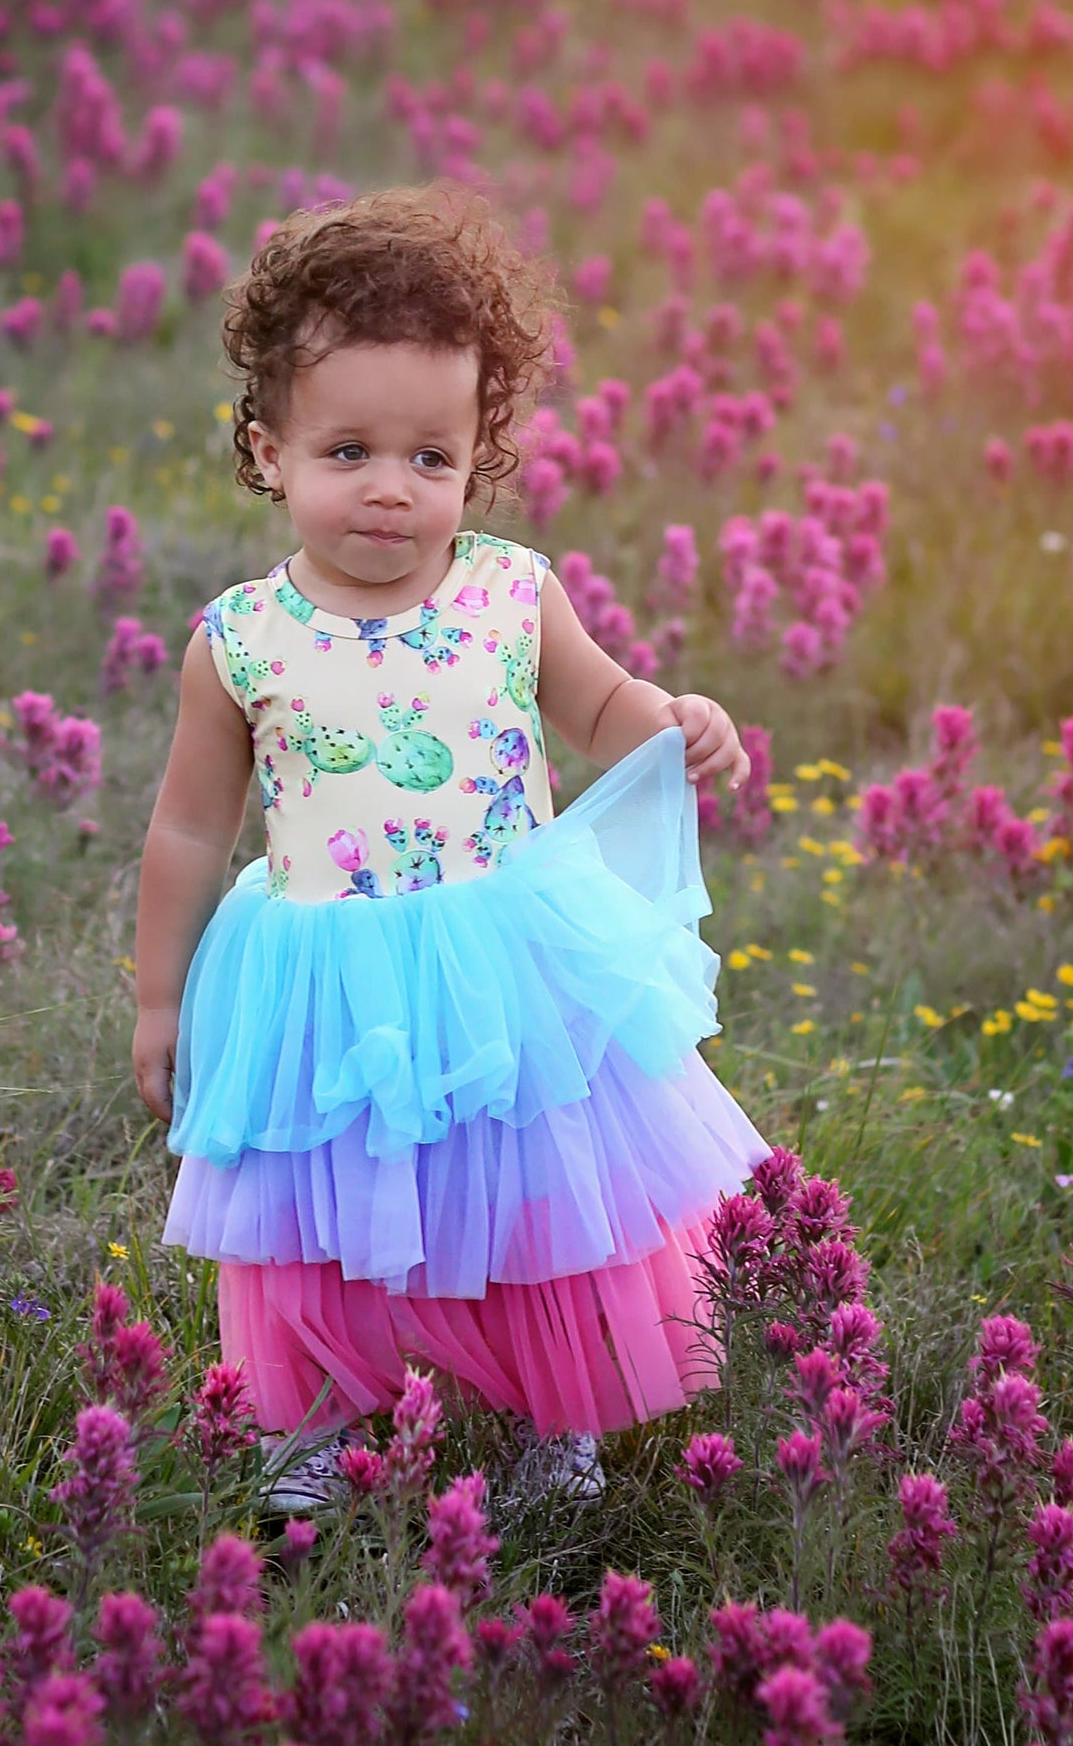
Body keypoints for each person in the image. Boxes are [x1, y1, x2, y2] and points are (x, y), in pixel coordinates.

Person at [133, 179, 773, 1514]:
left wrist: (675, 720)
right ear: (265, 448)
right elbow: (191, 823)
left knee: (538, 1196)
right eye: (346, 450)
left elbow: (598, 706)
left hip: (497, 950)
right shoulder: (240, 639)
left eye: (429, 458)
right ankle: (311, 1426)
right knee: (314, 1215)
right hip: (318, 966)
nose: (388, 490)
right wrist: (159, 996)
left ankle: (560, 1419)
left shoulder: (506, 590)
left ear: (474, 457)